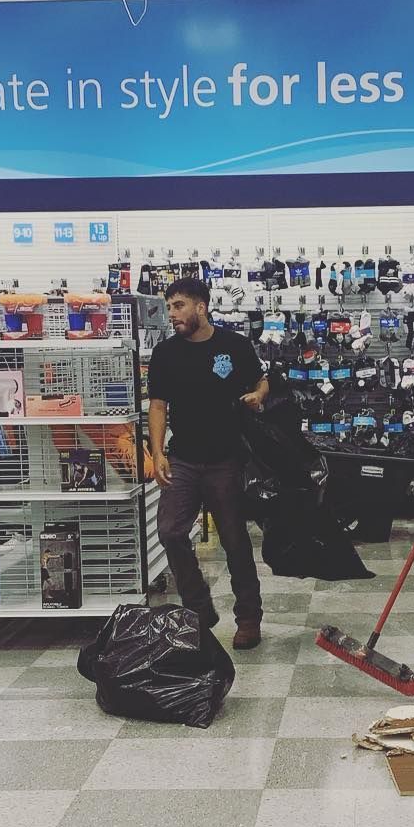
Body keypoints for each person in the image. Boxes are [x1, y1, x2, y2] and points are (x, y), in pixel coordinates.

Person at [148, 276, 267, 650]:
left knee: (234, 542)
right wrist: (157, 452)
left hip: (226, 461)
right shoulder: (166, 354)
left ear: (201, 307)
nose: (172, 314)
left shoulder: (234, 345)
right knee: (169, 532)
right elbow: (157, 406)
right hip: (183, 459)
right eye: (169, 307)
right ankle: (199, 611)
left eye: (179, 305)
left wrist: (257, 395)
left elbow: (262, 381)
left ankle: (248, 618)